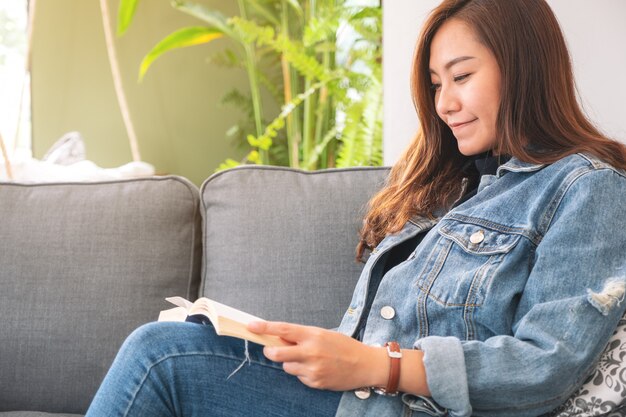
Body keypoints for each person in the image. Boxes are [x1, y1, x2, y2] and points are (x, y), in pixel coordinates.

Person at [85, 0, 626, 416]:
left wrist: (377, 365)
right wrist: (322, 350)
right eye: (437, 85)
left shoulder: (589, 188)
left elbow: (546, 364)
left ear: (524, 69)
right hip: (367, 398)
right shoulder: (457, 187)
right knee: (183, 340)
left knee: (162, 357)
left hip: (404, 405)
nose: (444, 104)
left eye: (462, 77)